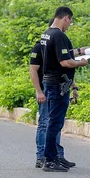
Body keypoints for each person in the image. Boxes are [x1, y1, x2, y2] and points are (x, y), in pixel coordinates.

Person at [39, 6, 89, 173]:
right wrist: (80, 63)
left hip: (53, 82)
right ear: (66, 18)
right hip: (58, 84)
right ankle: (50, 159)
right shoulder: (59, 35)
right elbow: (65, 62)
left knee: (54, 122)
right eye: (70, 21)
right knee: (55, 122)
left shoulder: (46, 34)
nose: (69, 25)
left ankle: (54, 157)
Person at [30, 20, 64, 168]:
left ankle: (56, 155)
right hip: (45, 89)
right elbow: (33, 70)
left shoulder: (57, 45)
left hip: (57, 87)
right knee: (45, 122)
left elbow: (65, 67)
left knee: (55, 124)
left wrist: (74, 87)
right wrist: (39, 91)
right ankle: (41, 156)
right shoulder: (39, 46)